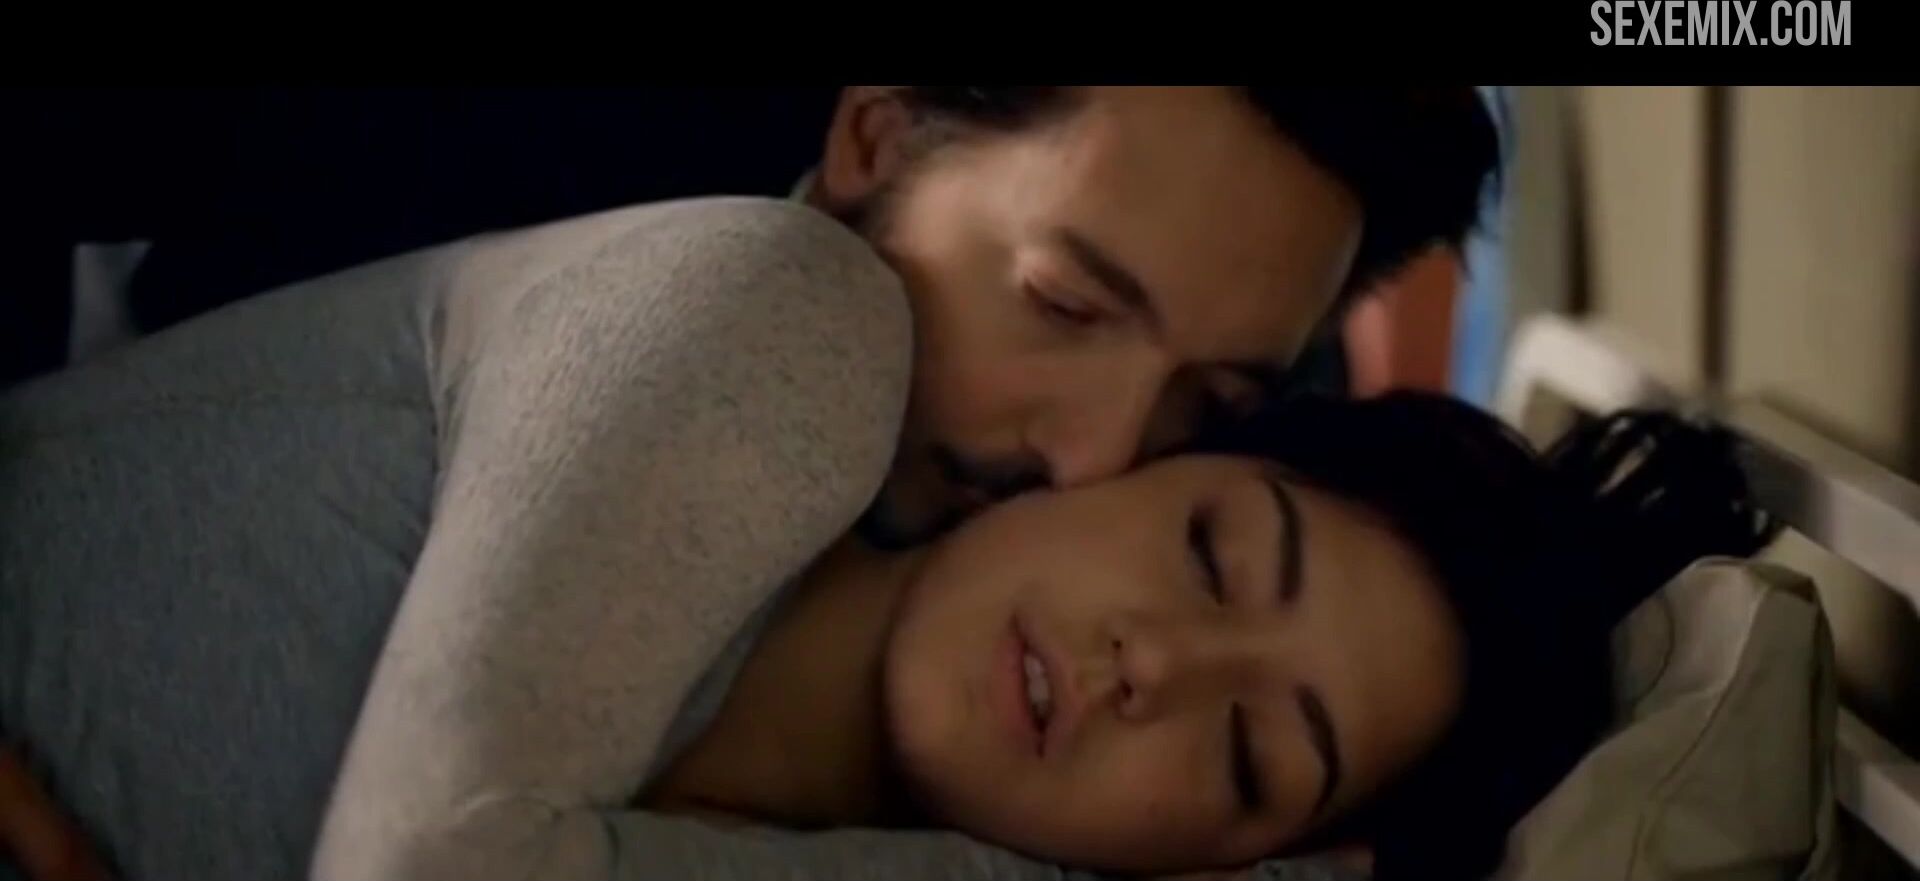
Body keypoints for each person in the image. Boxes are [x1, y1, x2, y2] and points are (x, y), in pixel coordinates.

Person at [0, 87, 1499, 880]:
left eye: (1207, 403)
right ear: (875, 133)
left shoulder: (1072, 668)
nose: (1096, 457)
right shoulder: (720, 268)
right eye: (1060, 302)